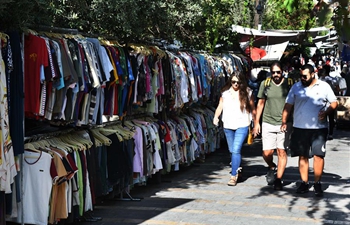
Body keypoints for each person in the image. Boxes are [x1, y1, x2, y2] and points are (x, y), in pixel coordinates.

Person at [280, 64, 338, 197]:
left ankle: (317, 183)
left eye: (305, 76)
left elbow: (334, 102)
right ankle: (304, 182)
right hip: (300, 127)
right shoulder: (296, 87)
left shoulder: (323, 86)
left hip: (319, 128)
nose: (302, 78)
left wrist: (327, 111)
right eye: (301, 76)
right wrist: (284, 121)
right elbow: (288, 105)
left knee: (318, 155)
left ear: (312, 74)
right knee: (303, 155)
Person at [253, 61, 291, 190]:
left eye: (278, 72)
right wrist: (256, 123)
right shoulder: (266, 84)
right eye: (273, 72)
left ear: (282, 72)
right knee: (267, 152)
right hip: (268, 121)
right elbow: (260, 103)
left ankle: (279, 179)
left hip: (284, 123)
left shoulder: (289, 84)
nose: (276, 74)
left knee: (281, 151)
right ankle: (271, 166)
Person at [213, 71, 256, 186]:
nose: (236, 84)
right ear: (230, 81)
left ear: (242, 82)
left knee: (236, 149)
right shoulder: (225, 93)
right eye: (233, 82)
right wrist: (216, 117)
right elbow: (220, 106)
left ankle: (233, 175)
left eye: (238, 82)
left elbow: (253, 108)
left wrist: (256, 123)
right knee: (232, 151)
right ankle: (238, 169)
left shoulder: (247, 92)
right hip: (228, 125)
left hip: (242, 124)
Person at [317, 67, 339, 140]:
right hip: (330, 101)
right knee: (331, 118)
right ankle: (330, 134)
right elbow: (337, 88)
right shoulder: (332, 79)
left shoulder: (317, 81)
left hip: (321, 102)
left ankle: (322, 133)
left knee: (322, 118)